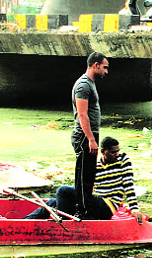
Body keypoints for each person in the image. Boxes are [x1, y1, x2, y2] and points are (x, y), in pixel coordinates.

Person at [27, 137, 144, 223]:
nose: (117, 154)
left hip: (107, 205)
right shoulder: (95, 165)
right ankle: (22, 223)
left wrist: (134, 208)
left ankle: (63, 222)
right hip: (93, 203)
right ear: (103, 152)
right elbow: (85, 188)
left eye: (118, 151)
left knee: (63, 190)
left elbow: (129, 184)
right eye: (113, 152)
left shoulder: (123, 159)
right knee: (53, 202)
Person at [72, 52, 109, 218]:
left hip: (90, 136)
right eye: (104, 67)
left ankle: (85, 208)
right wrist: (91, 139)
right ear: (96, 65)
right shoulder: (83, 85)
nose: (106, 71)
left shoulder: (91, 84)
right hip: (84, 137)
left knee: (89, 175)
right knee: (82, 177)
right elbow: (82, 115)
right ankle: (81, 212)